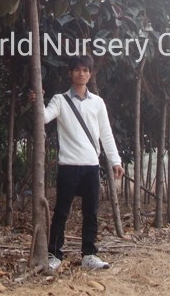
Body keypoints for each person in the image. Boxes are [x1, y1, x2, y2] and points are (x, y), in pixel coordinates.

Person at [34, 55, 124, 271]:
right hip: (68, 166)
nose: (81, 73)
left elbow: (106, 133)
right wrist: (37, 100)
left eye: (85, 70)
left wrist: (115, 160)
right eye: (77, 70)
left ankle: (89, 255)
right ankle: (54, 255)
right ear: (70, 73)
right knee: (61, 212)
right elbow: (44, 117)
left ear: (90, 74)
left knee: (91, 212)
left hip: (91, 166)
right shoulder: (59, 100)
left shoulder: (98, 103)